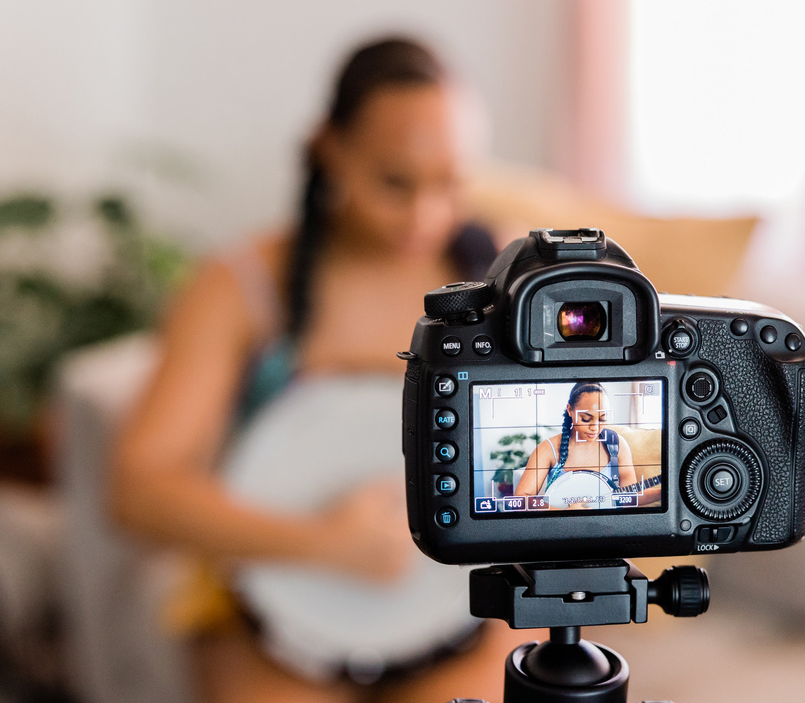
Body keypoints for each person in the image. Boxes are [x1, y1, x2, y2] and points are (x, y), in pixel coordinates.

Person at [111, 37, 529, 703]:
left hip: (463, 618)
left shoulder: (505, 272)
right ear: (328, 149)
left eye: (450, 182)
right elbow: (141, 490)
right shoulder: (238, 288)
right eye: (395, 181)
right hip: (271, 630)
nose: (424, 215)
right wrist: (323, 543)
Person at [514, 382, 662, 508]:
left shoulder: (617, 444)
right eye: (586, 419)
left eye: (602, 418)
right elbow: (520, 499)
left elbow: (629, 498)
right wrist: (562, 513)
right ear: (570, 410)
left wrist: (663, 492)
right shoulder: (548, 449)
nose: (595, 427)